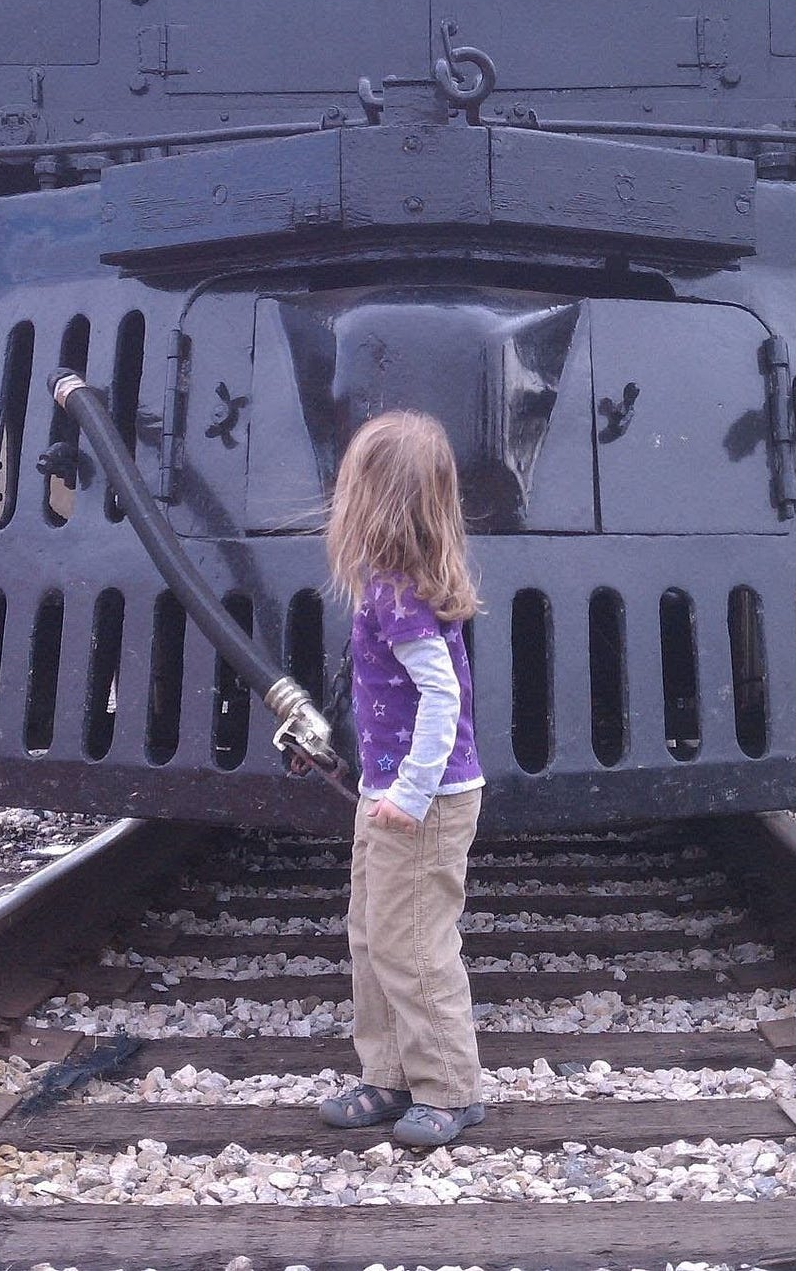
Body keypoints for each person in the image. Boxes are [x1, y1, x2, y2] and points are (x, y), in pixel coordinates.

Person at [318, 409, 485, 1148]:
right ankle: (388, 1073)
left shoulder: (398, 595)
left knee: (413, 941)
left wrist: (412, 794)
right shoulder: (386, 583)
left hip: (424, 800)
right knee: (372, 933)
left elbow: (442, 694)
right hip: (390, 793)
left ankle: (450, 1086)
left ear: (371, 500)